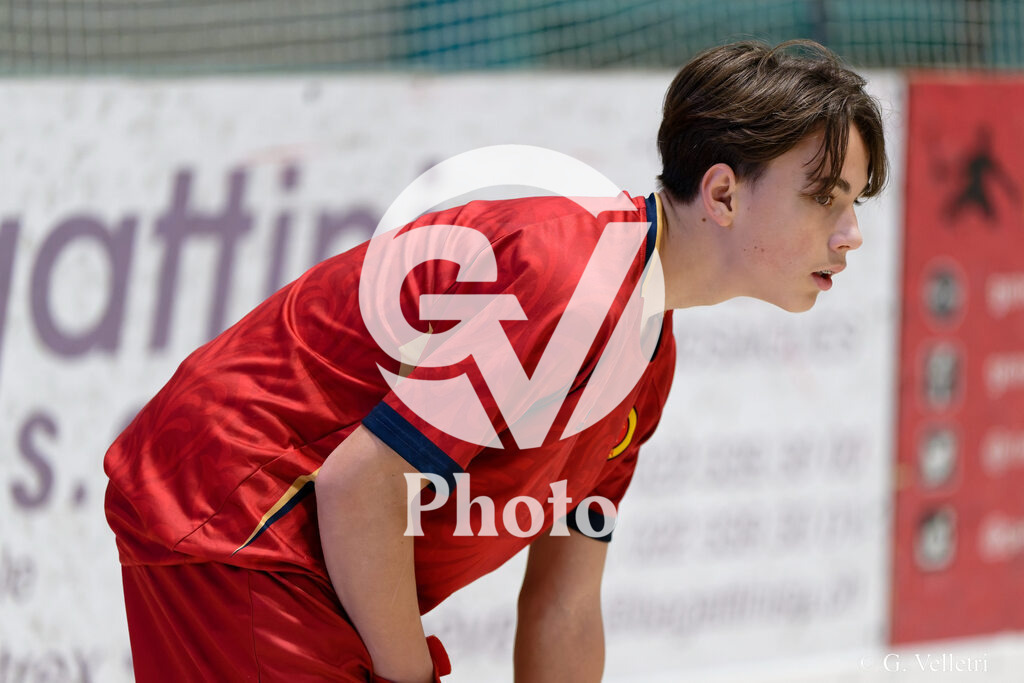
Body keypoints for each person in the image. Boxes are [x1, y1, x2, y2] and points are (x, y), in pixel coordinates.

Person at [104, 39, 887, 682]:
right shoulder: (569, 285)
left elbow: (565, 604)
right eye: (826, 196)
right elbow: (360, 484)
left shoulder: (647, 355)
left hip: (302, 557)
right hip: (228, 514)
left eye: (855, 202)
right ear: (721, 194)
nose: (850, 232)